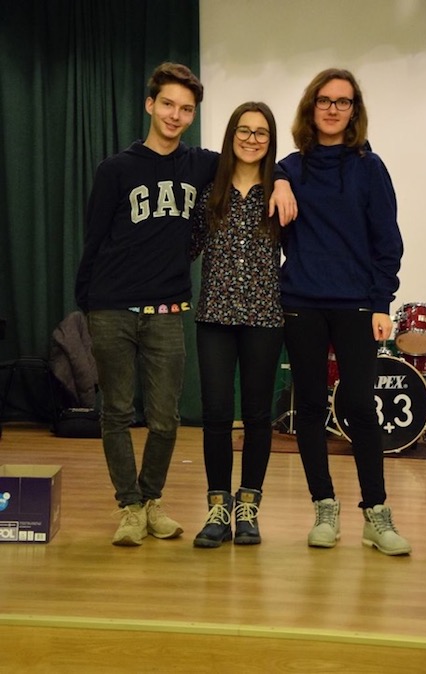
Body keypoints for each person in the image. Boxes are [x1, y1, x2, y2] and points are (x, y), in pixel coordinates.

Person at [75, 63, 296, 547]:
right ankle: (136, 507)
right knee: (123, 412)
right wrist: (86, 301)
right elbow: (98, 239)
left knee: (175, 417)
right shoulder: (132, 172)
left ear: (193, 116)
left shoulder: (214, 170)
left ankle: (188, 503)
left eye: (186, 109)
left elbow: (262, 163)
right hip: (142, 309)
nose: (175, 115)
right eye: (168, 105)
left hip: (203, 313)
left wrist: (280, 178)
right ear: (150, 105)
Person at [279, 68, 411, 556]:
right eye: (325, 100)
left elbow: (387, 241)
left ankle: (376, 514)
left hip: (356, 303)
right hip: (301, 303)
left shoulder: (369, 168)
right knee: (311, 408)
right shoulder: (289, 168)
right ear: (311, 107)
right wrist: (278, 181)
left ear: (354, 111)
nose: (333, 109)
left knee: (358, 405)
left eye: (343, 101)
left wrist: (382, 302)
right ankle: (324, 508)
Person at [190, 102, 284, 549]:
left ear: (271, 140)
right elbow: (185, 246)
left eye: (261, 132)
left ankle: (248, 508)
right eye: (244, 130)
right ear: (231, 136)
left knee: (258, 416)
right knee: (215, 414)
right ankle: (217, 508)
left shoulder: (280, 191)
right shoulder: (210, 190)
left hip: (265, 317)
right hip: (214, 316)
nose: (251, 139)